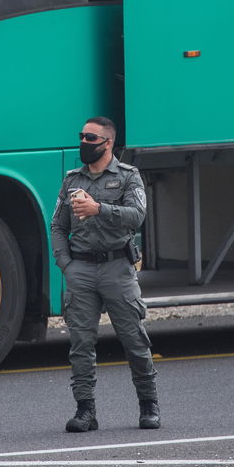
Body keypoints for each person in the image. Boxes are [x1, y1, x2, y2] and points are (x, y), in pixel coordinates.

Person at [50, 116, 158, 432]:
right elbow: (58, 225)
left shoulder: (128, 177)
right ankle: (86, 411)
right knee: (80, 344)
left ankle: (148, 405)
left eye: (90, 138)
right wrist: (66, 264)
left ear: (107, 143)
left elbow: (137, 216)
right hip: (80, 269)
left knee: (134, 340)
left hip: (117, 268)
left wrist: (99, 209)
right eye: (81, 136)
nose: (84, 143)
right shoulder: (72, 180)